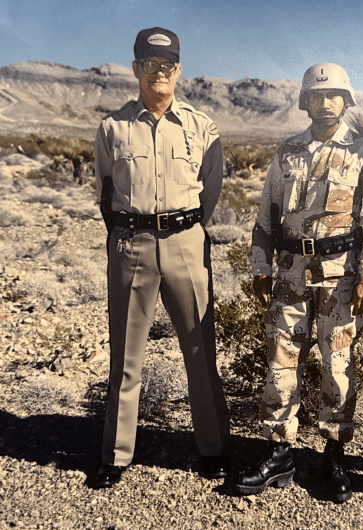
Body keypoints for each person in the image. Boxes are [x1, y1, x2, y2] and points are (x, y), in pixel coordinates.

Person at [238, 63, 363, 503]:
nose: (325, 103)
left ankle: (334, 454)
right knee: (280, 362)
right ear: (304, 102)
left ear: (346, 102)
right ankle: (279, 452)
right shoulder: (288, 152)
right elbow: (267, 212)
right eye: (316, 96)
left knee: (337, 367)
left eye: (334, 96)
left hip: (340, 278)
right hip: (290, 275)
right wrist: (261, 267)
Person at [94, 27, 230, 487]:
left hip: (186, 243)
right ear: (136, 69)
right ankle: (116, 455)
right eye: (149, 64)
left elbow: (211, 189)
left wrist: (183, 228)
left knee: (200, 352)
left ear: (178, 70)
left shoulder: (201, 126)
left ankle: (214, 449)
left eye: (167, 65)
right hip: (131, 245)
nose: (159, 73)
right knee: (126, 356)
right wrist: (130, 232)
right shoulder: (112, 127)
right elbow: (106, 191)